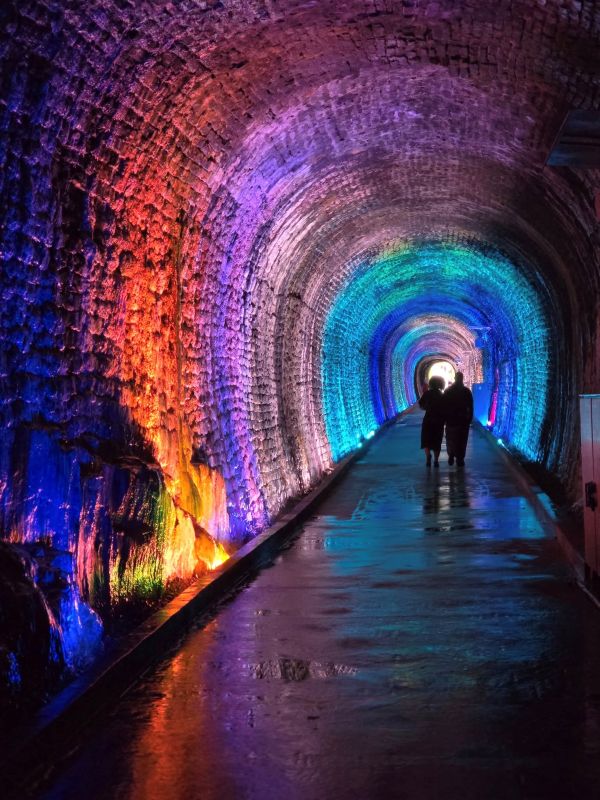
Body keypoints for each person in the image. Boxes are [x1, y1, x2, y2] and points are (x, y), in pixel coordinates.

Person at [443, 371, 473, 467]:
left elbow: (443, 405)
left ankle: (451, 453)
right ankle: (460, 459)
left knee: (451, 438)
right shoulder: (466, 391)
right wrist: (470, 418)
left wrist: (444, 418)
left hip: (451, 419)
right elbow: (471, 406)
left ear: (455, 378)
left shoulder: (448, 391)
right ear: (462, 379)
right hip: (463, 420)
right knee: (462, 439)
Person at [419, 375, 446, 467]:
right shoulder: (441, 395)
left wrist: (427, 407)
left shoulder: (427, 394)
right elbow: (445, 408)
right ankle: (436, 461)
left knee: (426, 440)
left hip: (428, 419)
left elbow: (421, 404)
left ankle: (428, 457)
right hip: (439, 421)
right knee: (437, 441)